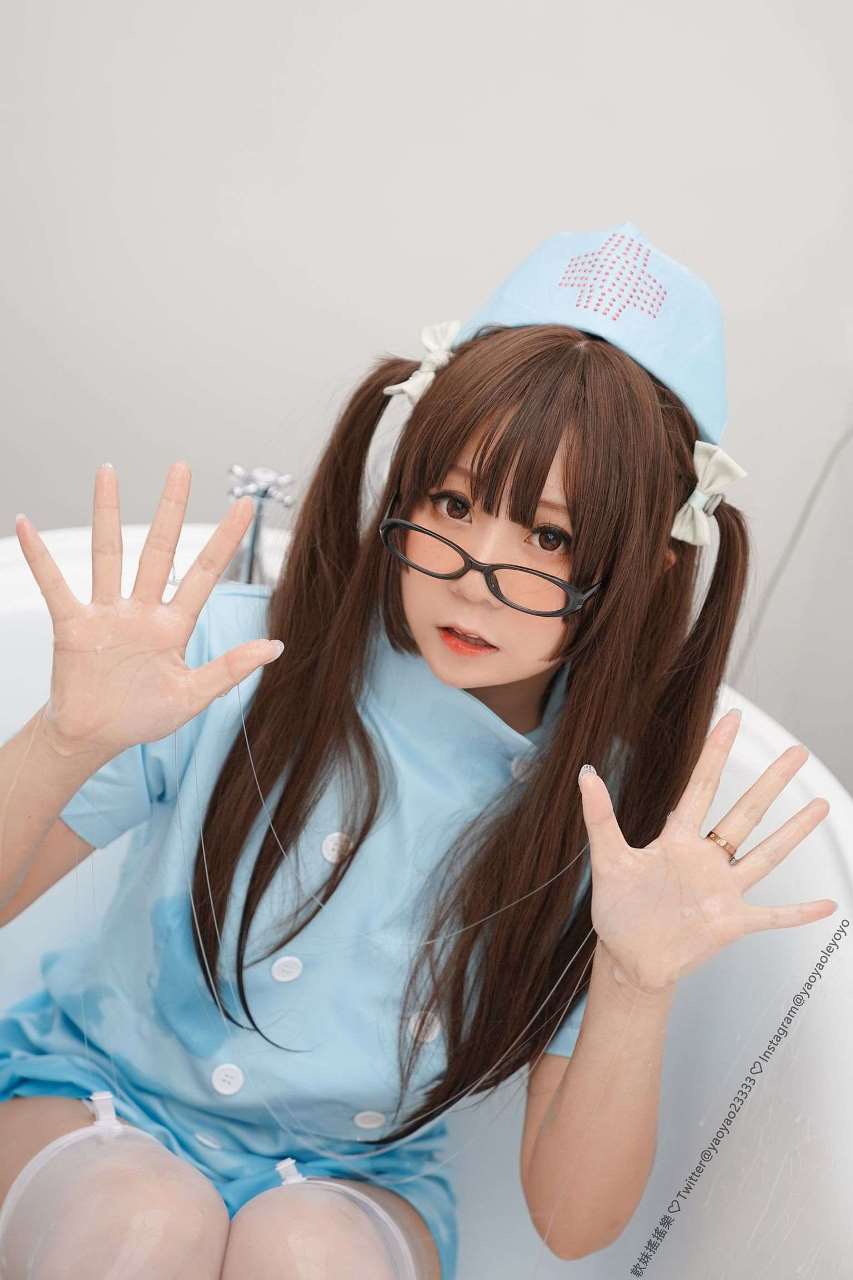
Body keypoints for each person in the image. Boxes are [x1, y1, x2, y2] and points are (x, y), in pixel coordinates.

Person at [0, 221, 833, 1280]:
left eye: (548, 536)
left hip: (354, 1183)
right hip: (91, 1093)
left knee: (308, 1256)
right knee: (143, 1220)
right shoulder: (236, 663)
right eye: (453, 502)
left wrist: (633, 978)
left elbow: (572, 1224)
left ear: (645, 568)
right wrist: (64, 739)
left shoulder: (610, 824)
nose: (474, 571)